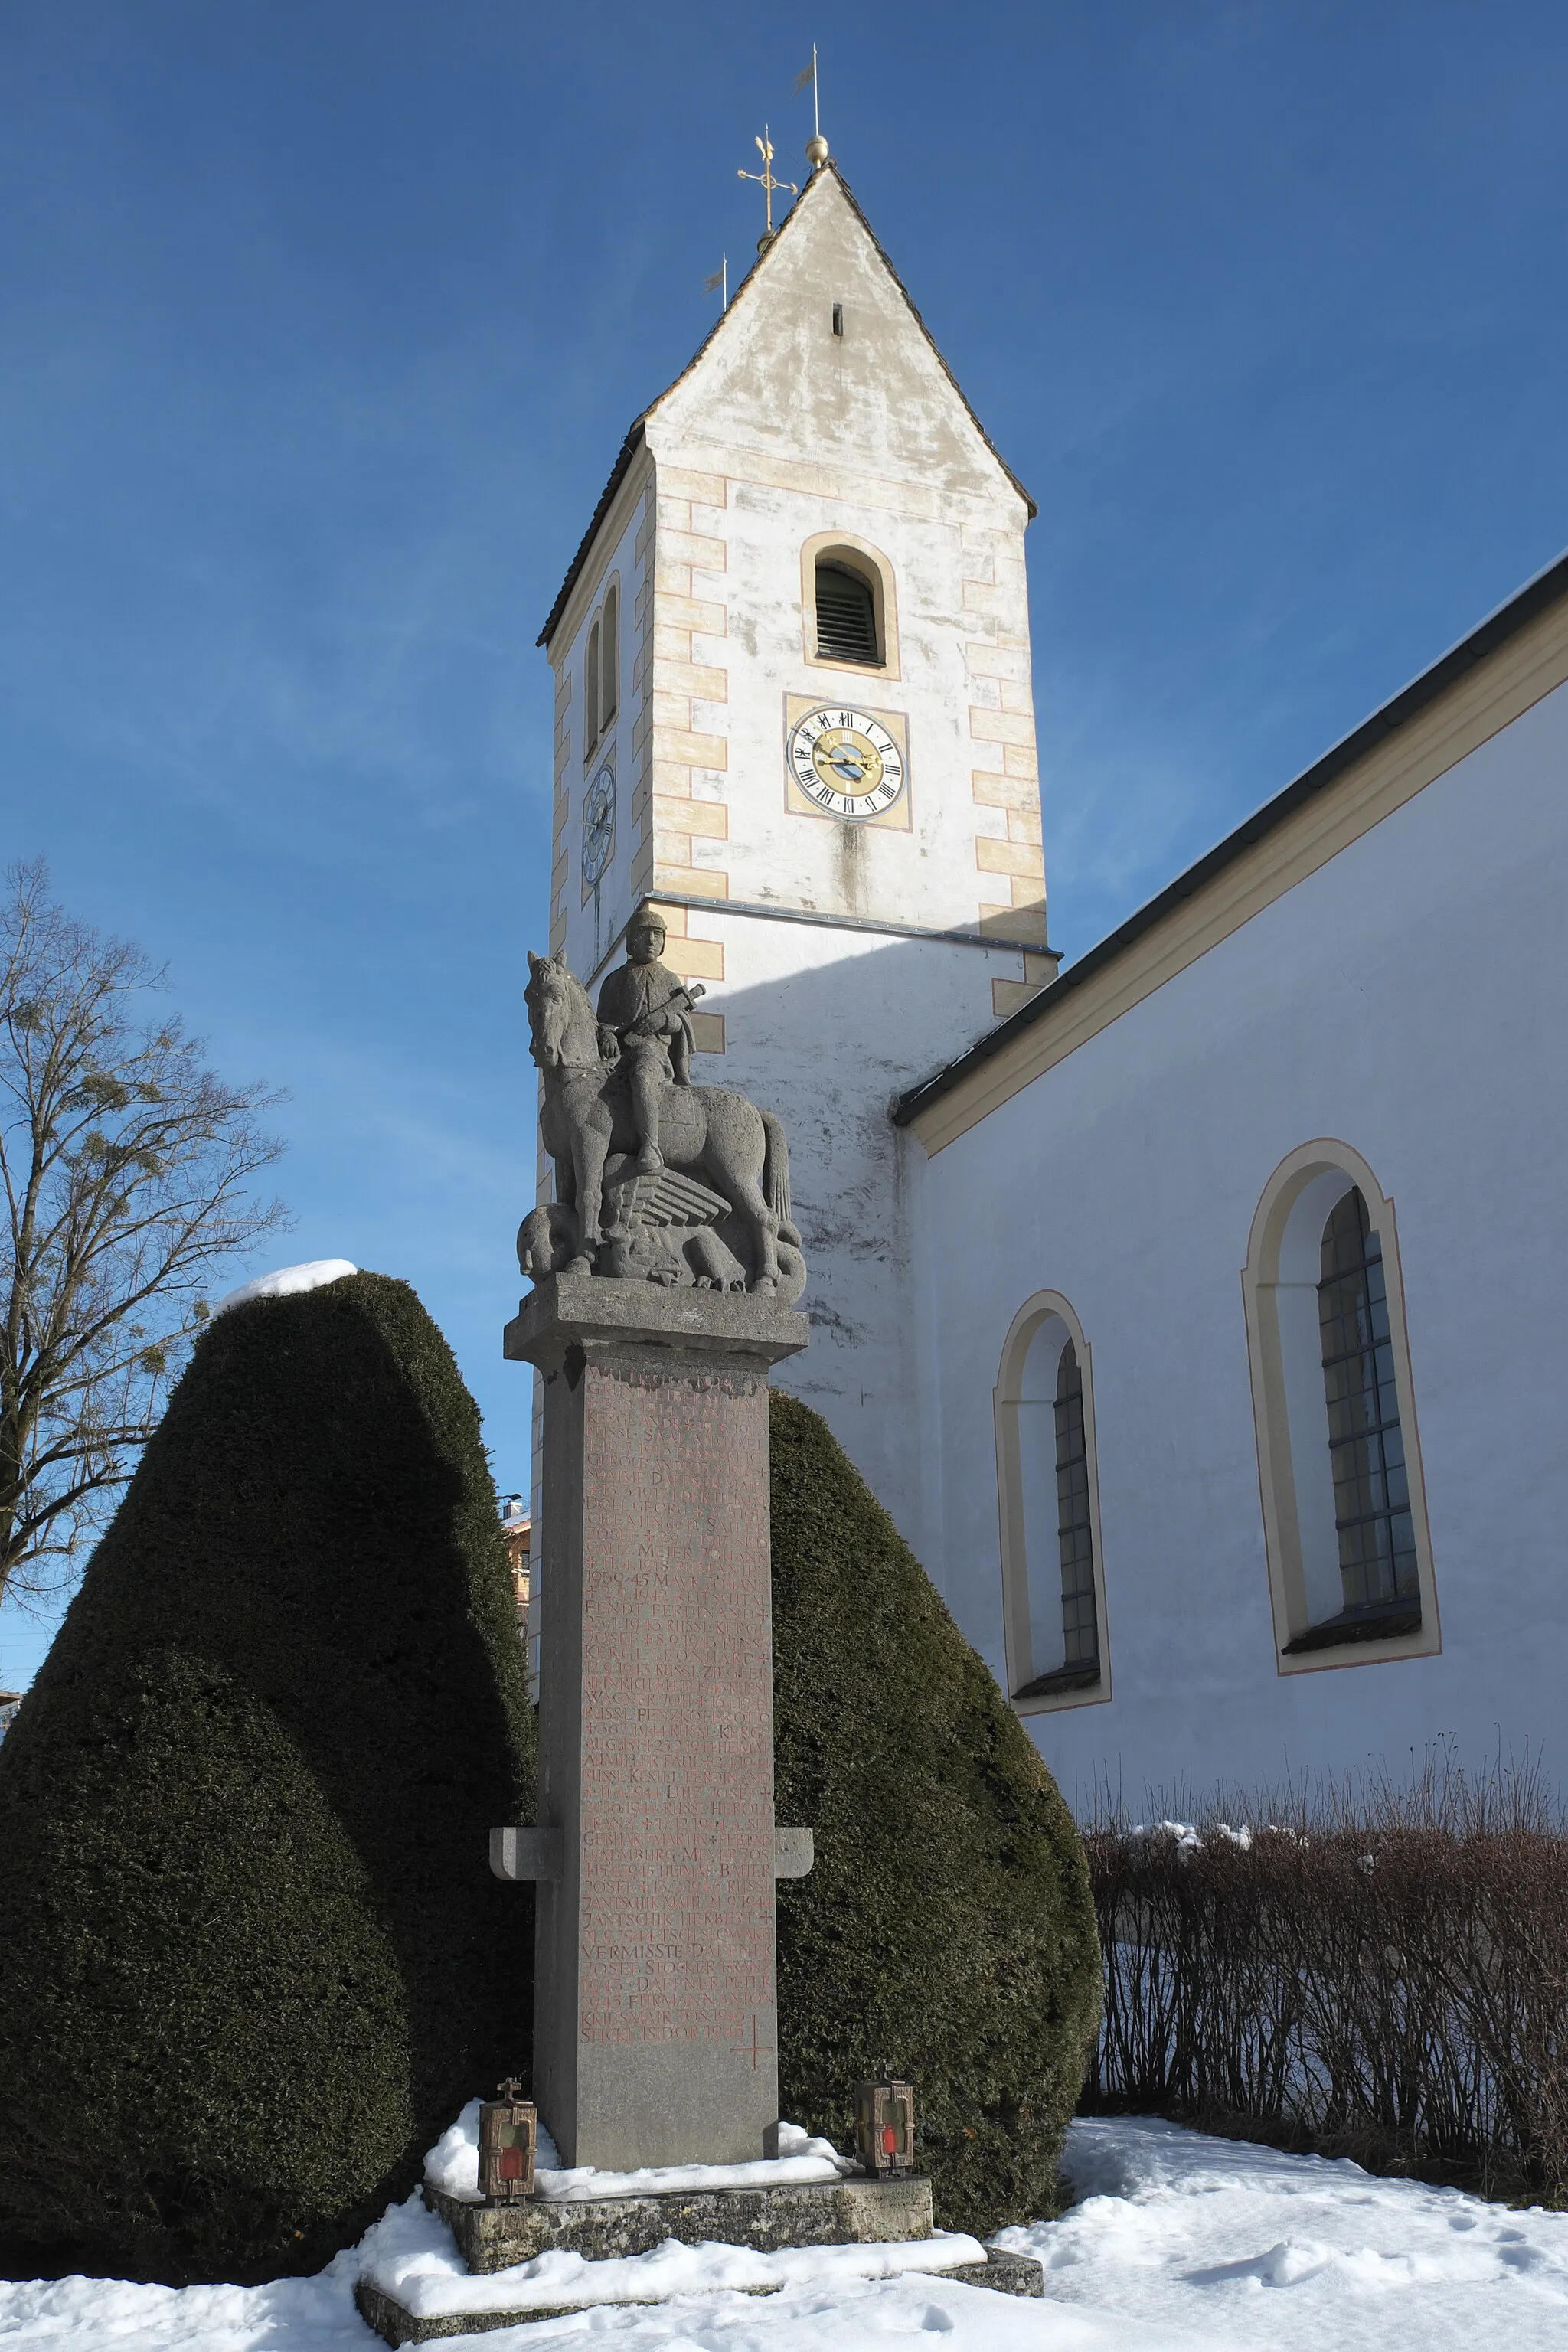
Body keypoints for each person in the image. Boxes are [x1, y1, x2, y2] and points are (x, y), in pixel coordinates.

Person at [595, 910, 695, 1175]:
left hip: (652, 1051)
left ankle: (650, 1147)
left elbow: (680, 1025)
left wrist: (663, 1019)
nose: (652, 941)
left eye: (657, 935)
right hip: (618, 1052)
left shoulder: (670, 981)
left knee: (642, 1075)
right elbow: (604, 1021)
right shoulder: (614, 981)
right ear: (632, 941)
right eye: (644, 934)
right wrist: (606, 1036)